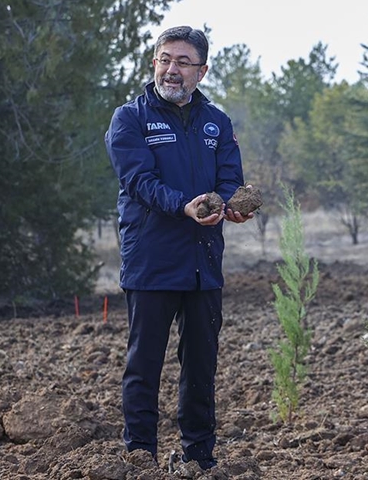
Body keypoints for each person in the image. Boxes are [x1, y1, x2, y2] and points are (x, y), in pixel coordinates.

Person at [104, 25, 253, 470]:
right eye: (165, 59)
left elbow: (229, 178)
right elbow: (139, 181)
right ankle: (140, 460)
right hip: (151, 260)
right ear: (154, 63)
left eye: (183, 62)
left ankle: (200, 461)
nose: (172, 69)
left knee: (201, 367)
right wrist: (183, 207)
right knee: (144, 365)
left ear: (202, 71)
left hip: (203, 264)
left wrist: (229, 205)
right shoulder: (130, 119)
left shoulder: (217, 123)